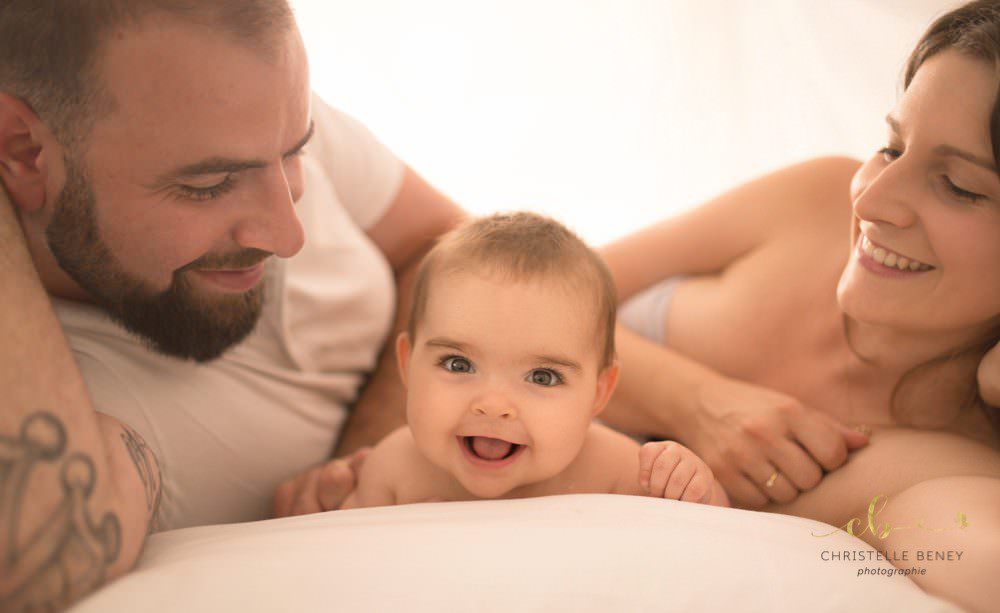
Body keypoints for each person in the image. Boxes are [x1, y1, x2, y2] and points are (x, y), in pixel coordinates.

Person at [0, 1, 463, 610]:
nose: (288, 234)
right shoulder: (52, 387)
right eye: (208, 185)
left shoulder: (244, 108)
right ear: (24, 151)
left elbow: (443, 243)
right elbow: (42, 552)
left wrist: (370, 459)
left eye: (296, 153)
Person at [596, 1, 1000, 610]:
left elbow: (979, 565)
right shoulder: (814, 201)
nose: (872, 201)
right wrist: (698, 402)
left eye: (959, 186)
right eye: (892, 148)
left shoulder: (956, 463)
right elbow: (522, 288)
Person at [341, 212, 729, 509]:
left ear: (598, 393)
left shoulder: (619, 471)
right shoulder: (392, 471)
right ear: (408, 365)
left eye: (542, 377)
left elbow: (714, 542)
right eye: (459, 365)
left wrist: (693, 488)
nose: (493, 405)